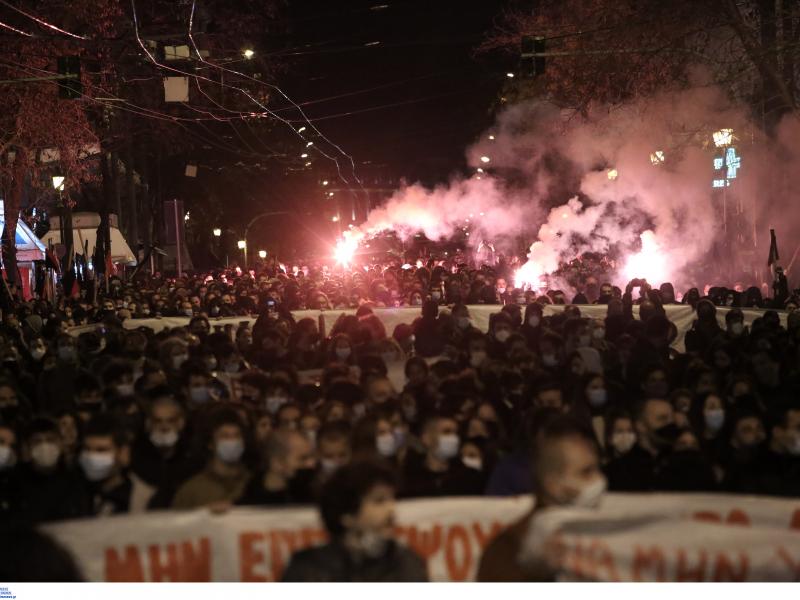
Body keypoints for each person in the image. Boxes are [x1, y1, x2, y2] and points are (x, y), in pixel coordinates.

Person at [477, 414, 605, 581]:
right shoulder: (511, 549)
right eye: (586, 472)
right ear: (553, 484)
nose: (599, 481)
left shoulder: (603, 537)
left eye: (598, 469)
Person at [281, 460, 427, 582]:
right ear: (347, 516)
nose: (392, 509)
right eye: (379, 501)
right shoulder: (308, 569)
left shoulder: (408, 564)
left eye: (392, 499)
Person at [172, 408, 251, 509]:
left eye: (237, 435)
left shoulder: (256, 485)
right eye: (224, 436)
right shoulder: (191, 490)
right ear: (210, 444)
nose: (233, 441)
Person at [236, 429, 316, 505]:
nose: (311, 463)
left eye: (312, 457)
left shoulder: (313, 492)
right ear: (277, 463)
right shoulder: (244, 496)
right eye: (302, 458)